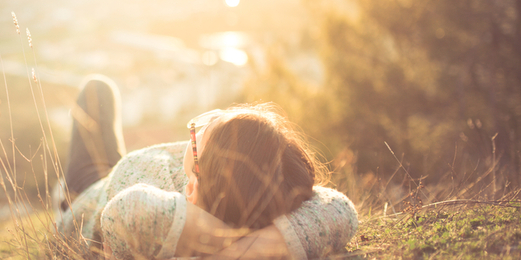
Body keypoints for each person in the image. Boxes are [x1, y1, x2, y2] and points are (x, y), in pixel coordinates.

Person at [56, 75, 358, 260]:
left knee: (96, 89)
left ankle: (62, 200)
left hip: (87, 196)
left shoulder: (146, 211)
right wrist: (244, 244)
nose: (203, 123)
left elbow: (128, 210)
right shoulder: (258, 194)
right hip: (113, 180)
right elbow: (340, 210)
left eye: (202, 133)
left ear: (192, 188)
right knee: (99, 90)